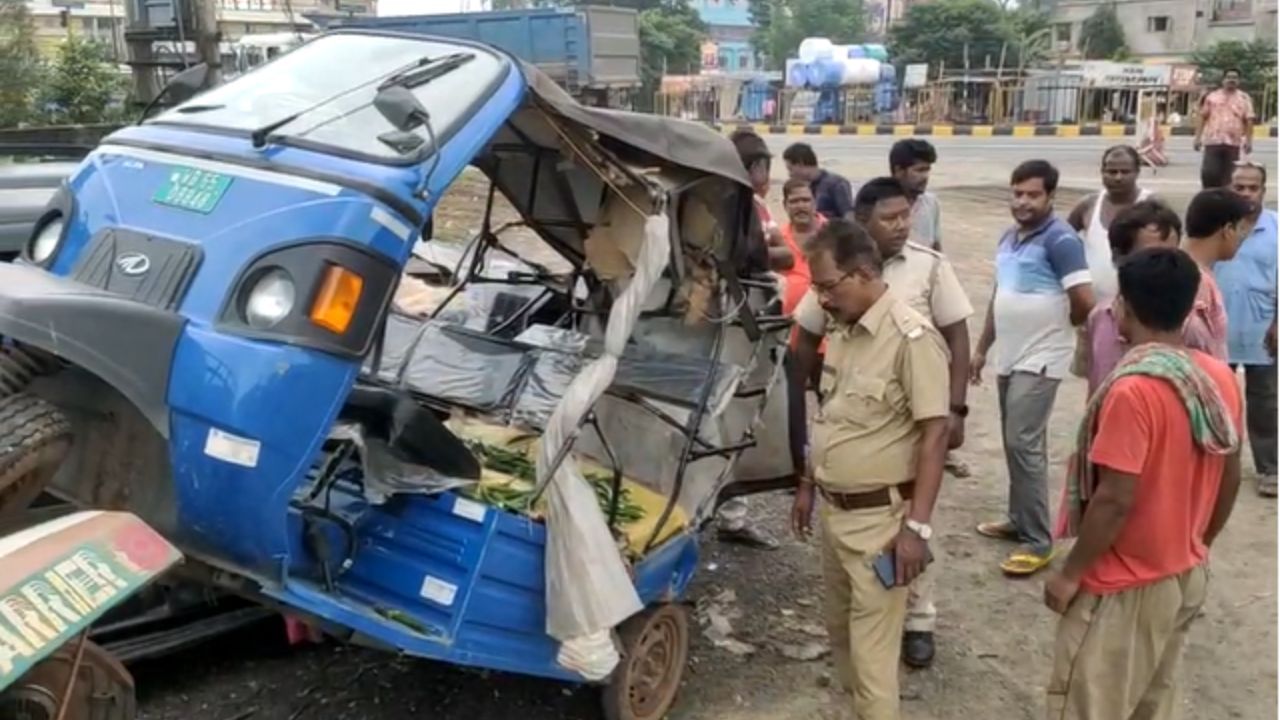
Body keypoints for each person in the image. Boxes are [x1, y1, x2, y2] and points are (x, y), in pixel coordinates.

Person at [1043, 247, 1242, 720]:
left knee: (1089, 706)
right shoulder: (1216, 378)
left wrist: (1071, 572)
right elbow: (1229, 474)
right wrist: (1198, 542)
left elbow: (1114, 498)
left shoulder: (1134, 389)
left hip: (1121, 588)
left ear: (1125, 308)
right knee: (1151, 706)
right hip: (1181, 574)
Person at [793, 178, 971, 669]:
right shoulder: (843, 324)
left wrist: (916, 527)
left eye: (828, 288)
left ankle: (921, 620)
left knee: (874, 662)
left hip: (887, 508)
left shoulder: (918, 304)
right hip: (837, 508)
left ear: (863, 273)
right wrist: (807, 479)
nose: (901, 224)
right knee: (845, 646)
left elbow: (935, 427)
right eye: (889, 217)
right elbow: (827, 406)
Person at [972, 160, 1095, 576]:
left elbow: (1083, 300)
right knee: (1016, 442)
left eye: (1032, 194)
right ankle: (1018, 518)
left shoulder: (1060, 241)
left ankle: (1038, 541)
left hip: (1041, 358)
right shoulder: (1010, 237)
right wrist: (981, 349)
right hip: (1009, 354)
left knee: (1023, 442)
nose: (1023, 202)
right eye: (1017, 193)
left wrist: (1059, 334)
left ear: (1050, 197)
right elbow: (998, 296)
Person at [714, 129, 787, 550]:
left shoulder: (740, 206)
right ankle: (728, 515)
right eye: (763, 167)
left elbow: (784, 253)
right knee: (734, 422)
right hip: (737, 331)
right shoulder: (734, 209)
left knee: (730, 422)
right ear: (754, 168)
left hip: (736, 329)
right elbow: (777, 256)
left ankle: (727, 513)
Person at [1080, 200, 1188, 396]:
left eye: (1171, 255)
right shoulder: (1099, 318)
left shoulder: (1189, 322)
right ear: (1117, 256)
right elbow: (1095, 389)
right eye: (1150, 257)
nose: (1163, 267)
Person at [1216, 162, 1278, 497]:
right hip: (1219, 332)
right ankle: (1214, 469)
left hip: (1262, 333)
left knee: (1264, 404)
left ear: (1263, 192)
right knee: (1217, 403)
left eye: (1252, 188)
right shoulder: (1216, 225)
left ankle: (1270, 469)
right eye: (1239, 187)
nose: (1246, 194)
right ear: (1229, 188)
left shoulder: (1277, 228)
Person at [1066, 145, 1154, 305]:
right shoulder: (1087, 205)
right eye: (1112, 172)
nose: (1118, 177)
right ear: (1102, 172)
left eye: (1125, 172)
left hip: (1138, 307)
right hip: (1092, 308)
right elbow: (1063, 244)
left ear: (1137, 172)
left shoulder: (1152, 205)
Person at [1181, 187, 1252, 362]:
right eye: (1241, 229)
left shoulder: (1192, 272)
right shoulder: (1195, 282)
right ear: (1228, 230)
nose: (1242, 236)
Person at [1194, 68, 1255, 188]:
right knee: (1209, 173)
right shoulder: (1212, 97)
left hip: (1233, 144)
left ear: (1239, 81)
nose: (1231, 80)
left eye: (1235, 77)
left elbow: (1249, 120)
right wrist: (1197, 138)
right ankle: (1208, 197)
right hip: (1213, 142)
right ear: (1223, 80)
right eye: (1229, 77)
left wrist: (1249, 141)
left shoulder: (1244, 98)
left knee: (1229, 176)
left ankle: (1225, 201)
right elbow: (1202, 117)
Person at [778, 178, 826, 322]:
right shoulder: (777, 240)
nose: (800, 206)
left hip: (828, 326)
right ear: (785, 206)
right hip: (788, 325)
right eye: (794, 201)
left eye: (805, 200)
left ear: (815, 203)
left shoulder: (834, 234)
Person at [889, 139, 942, 251]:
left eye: (927, 170)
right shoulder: (880, 203)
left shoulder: (931, 203)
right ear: (899, 171)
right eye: (919, 170)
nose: (925, 177)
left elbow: (936, 247)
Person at [782, 142, 854, 221]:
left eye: (790, 169)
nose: (790, 174)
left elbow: (849, 215)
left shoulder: (836, 184)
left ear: (800, 163)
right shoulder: (806, 187)